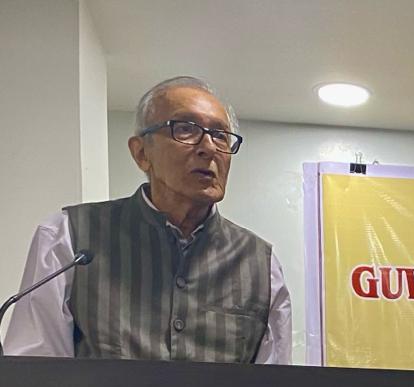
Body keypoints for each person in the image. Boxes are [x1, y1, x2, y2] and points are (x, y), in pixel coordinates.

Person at [2, 76, 290, 362]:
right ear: (141, 153)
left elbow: (275, 385)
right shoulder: (69, 238)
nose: (209, 147)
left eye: (220, 135)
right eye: (186, 129)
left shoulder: (261, 265)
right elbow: (37, 373)